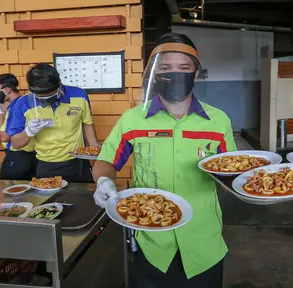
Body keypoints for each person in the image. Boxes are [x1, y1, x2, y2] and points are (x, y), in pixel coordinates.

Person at [92, 33, 237, 288]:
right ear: (154, 74)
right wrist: (104, 181)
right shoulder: (133, 120)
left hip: (204, 243)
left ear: (195, 73)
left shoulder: (219, 121)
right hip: (152, 244)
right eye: (165, 68)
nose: (174, 74)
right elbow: (107, 160)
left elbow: (230, 169)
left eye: (183, 68)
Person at [7, 63, 99, 183]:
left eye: (50, 95)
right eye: (41, 97)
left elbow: (87, 122)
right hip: (46, 165)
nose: (47, 101)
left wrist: (94, 148)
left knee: (83, 198)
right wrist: (29, 132)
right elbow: (16, 144)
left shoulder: (79, 95)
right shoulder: (22, 104)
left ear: (59, 85)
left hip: (78, 162)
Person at [0, 73, 37, 180]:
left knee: (9, 190)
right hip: (31, 155)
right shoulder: (24, 102)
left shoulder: (15, 106)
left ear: (6, 90)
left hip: (17, 156)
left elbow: (5, 137)